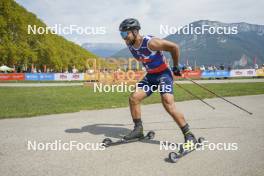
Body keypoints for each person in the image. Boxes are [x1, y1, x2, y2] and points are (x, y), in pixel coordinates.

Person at [119, 18, 197, 146]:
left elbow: (174, 47)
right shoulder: (130, 44)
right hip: (150, 76)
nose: (123, 38)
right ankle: (138, 130)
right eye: (121, 34)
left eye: (124, 34)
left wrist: (176, 66)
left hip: (163, 75)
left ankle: (189, 135)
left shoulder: (151, 43)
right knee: (134, 98)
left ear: (134, 31)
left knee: (167, 102)